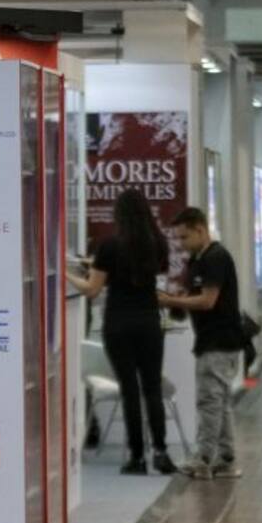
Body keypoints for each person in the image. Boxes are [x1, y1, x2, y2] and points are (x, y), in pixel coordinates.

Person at [67, 190, 176, 476]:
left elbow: (92, 289)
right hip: (150, 321)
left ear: (120, 214)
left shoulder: (109, 245)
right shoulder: (157, 243)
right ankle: (161, 452)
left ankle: (137, 457)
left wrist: (65, 274)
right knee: (152, 388)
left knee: (130, 390)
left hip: (118, 323)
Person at [157, 208, 244, 481]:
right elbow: (193, 297)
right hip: (212, 341)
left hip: (220, 342)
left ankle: (204, 459)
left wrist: (171, 301)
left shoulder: (216, 258)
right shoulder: (198, 259)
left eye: (184, 237)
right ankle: (226, 459)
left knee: (209, 402)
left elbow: (208, 301)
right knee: (220, 402)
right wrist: (179, 299)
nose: (181, 244)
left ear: (200, 229)